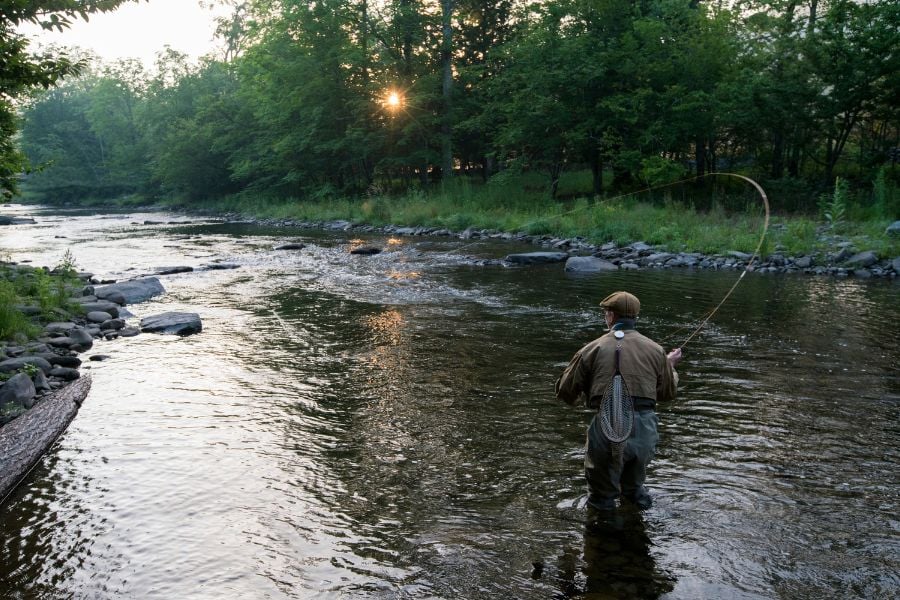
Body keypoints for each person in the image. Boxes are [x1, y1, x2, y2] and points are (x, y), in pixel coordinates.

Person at [556, 291, 682, 511]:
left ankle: (603, 540)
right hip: (644, 429)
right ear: (635, 316)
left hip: (606, 425)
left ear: (611, 316)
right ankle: (637, 537)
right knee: (634, 492)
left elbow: (566, 393)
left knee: (601, 499)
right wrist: (669, 367)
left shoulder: (591, 348)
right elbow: (667, 394)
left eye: (605, 313)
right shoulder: (656, 350)